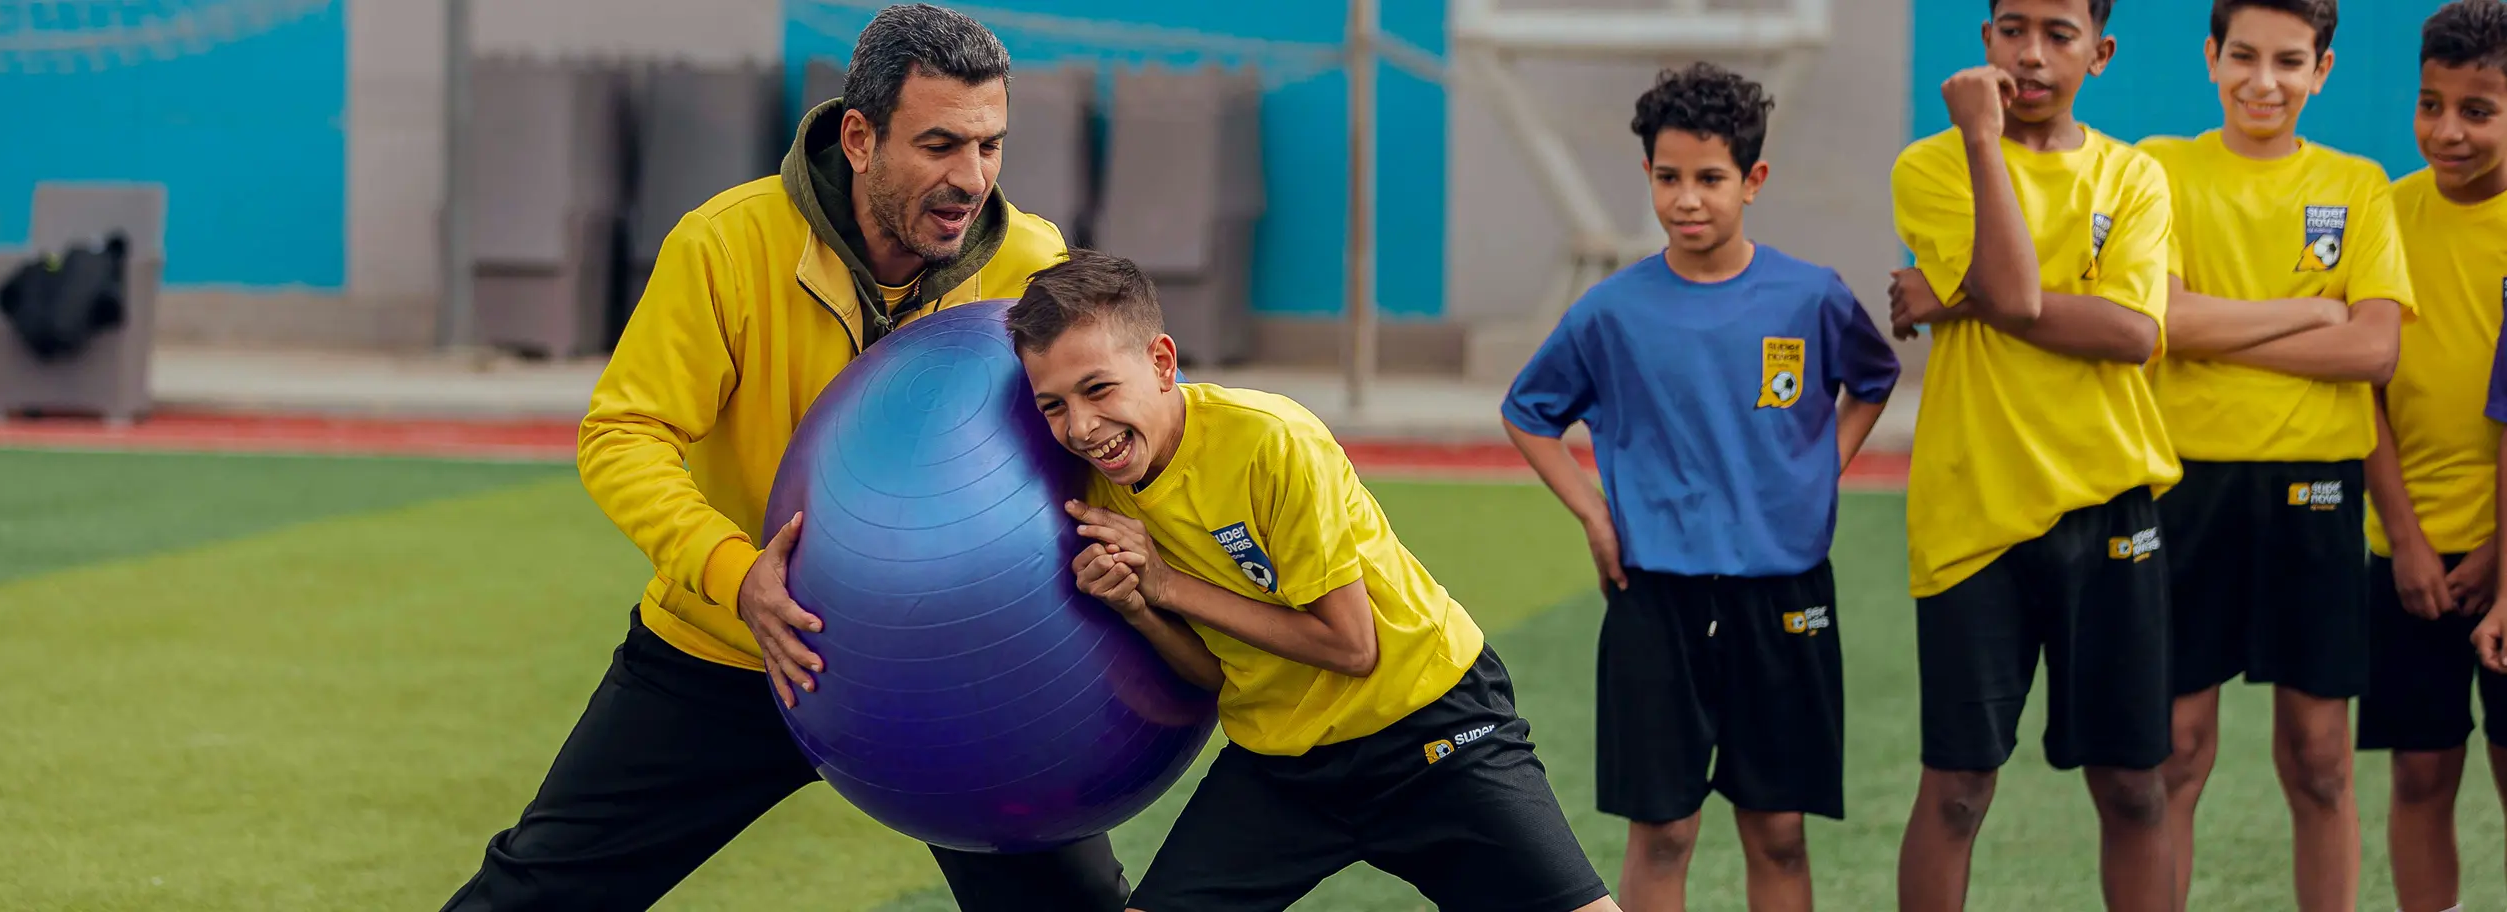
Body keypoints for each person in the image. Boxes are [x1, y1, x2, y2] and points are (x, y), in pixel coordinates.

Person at [435, 6, 1134, 910]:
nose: (970, 178)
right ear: (859, 138)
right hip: (732, 651)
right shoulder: (726, 244)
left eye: (990, 145)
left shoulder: (1030, 263)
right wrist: (737, 577)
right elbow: (623, 434)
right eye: (938, 145)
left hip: (948, 668)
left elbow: (1093, 435)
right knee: (535, 895)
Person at [1005, 249, 1621, 912]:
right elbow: (1215, 674)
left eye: (1098, 389)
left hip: (1425, 725)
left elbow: (1352, 647)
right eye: (1053, 406)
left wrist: (1163, 583)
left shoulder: (1271, 441)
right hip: (1284, 762)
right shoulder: (1097, 491)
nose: (1081, 426)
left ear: (1161, 363)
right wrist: (1137, 606)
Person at [1496, 62, 1898, 912]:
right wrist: (1594, 515)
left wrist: (1821, 467)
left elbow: (1873, 379)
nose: (1687, 199)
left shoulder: (1811, 297)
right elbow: (1528, 413)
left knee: (1778, 830)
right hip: (1655, 600)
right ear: (1647, 174)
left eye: (1710, 178)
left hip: (1784, 594)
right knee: (1665, 832)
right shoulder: (1611, 311)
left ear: (1753, 180)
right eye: (1669, 177)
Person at [1883, 0, 2183, 909]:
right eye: (2012, 30)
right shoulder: (1933, 163)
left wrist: (1953, 293)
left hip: (2111, 502)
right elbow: (2016, 295)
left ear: (2102, 51)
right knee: (1958, 789)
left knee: (2134, 787)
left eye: (2060, 33)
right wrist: (1982, 138)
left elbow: (2133, 333)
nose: (2032, 54)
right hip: (1975, 513)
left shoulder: (2134, 175)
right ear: (1985, 43)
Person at [2130, 3, 2414, 909]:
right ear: (2211, 57)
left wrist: (2221, 332)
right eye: (2243, 56)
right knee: (2176, 752)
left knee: (2321, 757)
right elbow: (2165, 322)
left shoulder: (2357, 184)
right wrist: (2310, 310)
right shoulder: (2158, 169)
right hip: (2186, 487)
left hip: (2316, 488)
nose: (2263, 81)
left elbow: (2374, 349)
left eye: (2289, 61)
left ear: (2321, 71)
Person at [2391, 5, 2507, 912]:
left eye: (2478, 110)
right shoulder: (2385, 214)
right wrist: (2405, 539)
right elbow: (2359, 390)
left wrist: (2501, 556)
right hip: (2405, 556)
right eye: (2431, 105)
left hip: (2505, 559)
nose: (2447, 131)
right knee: (2420, 774)